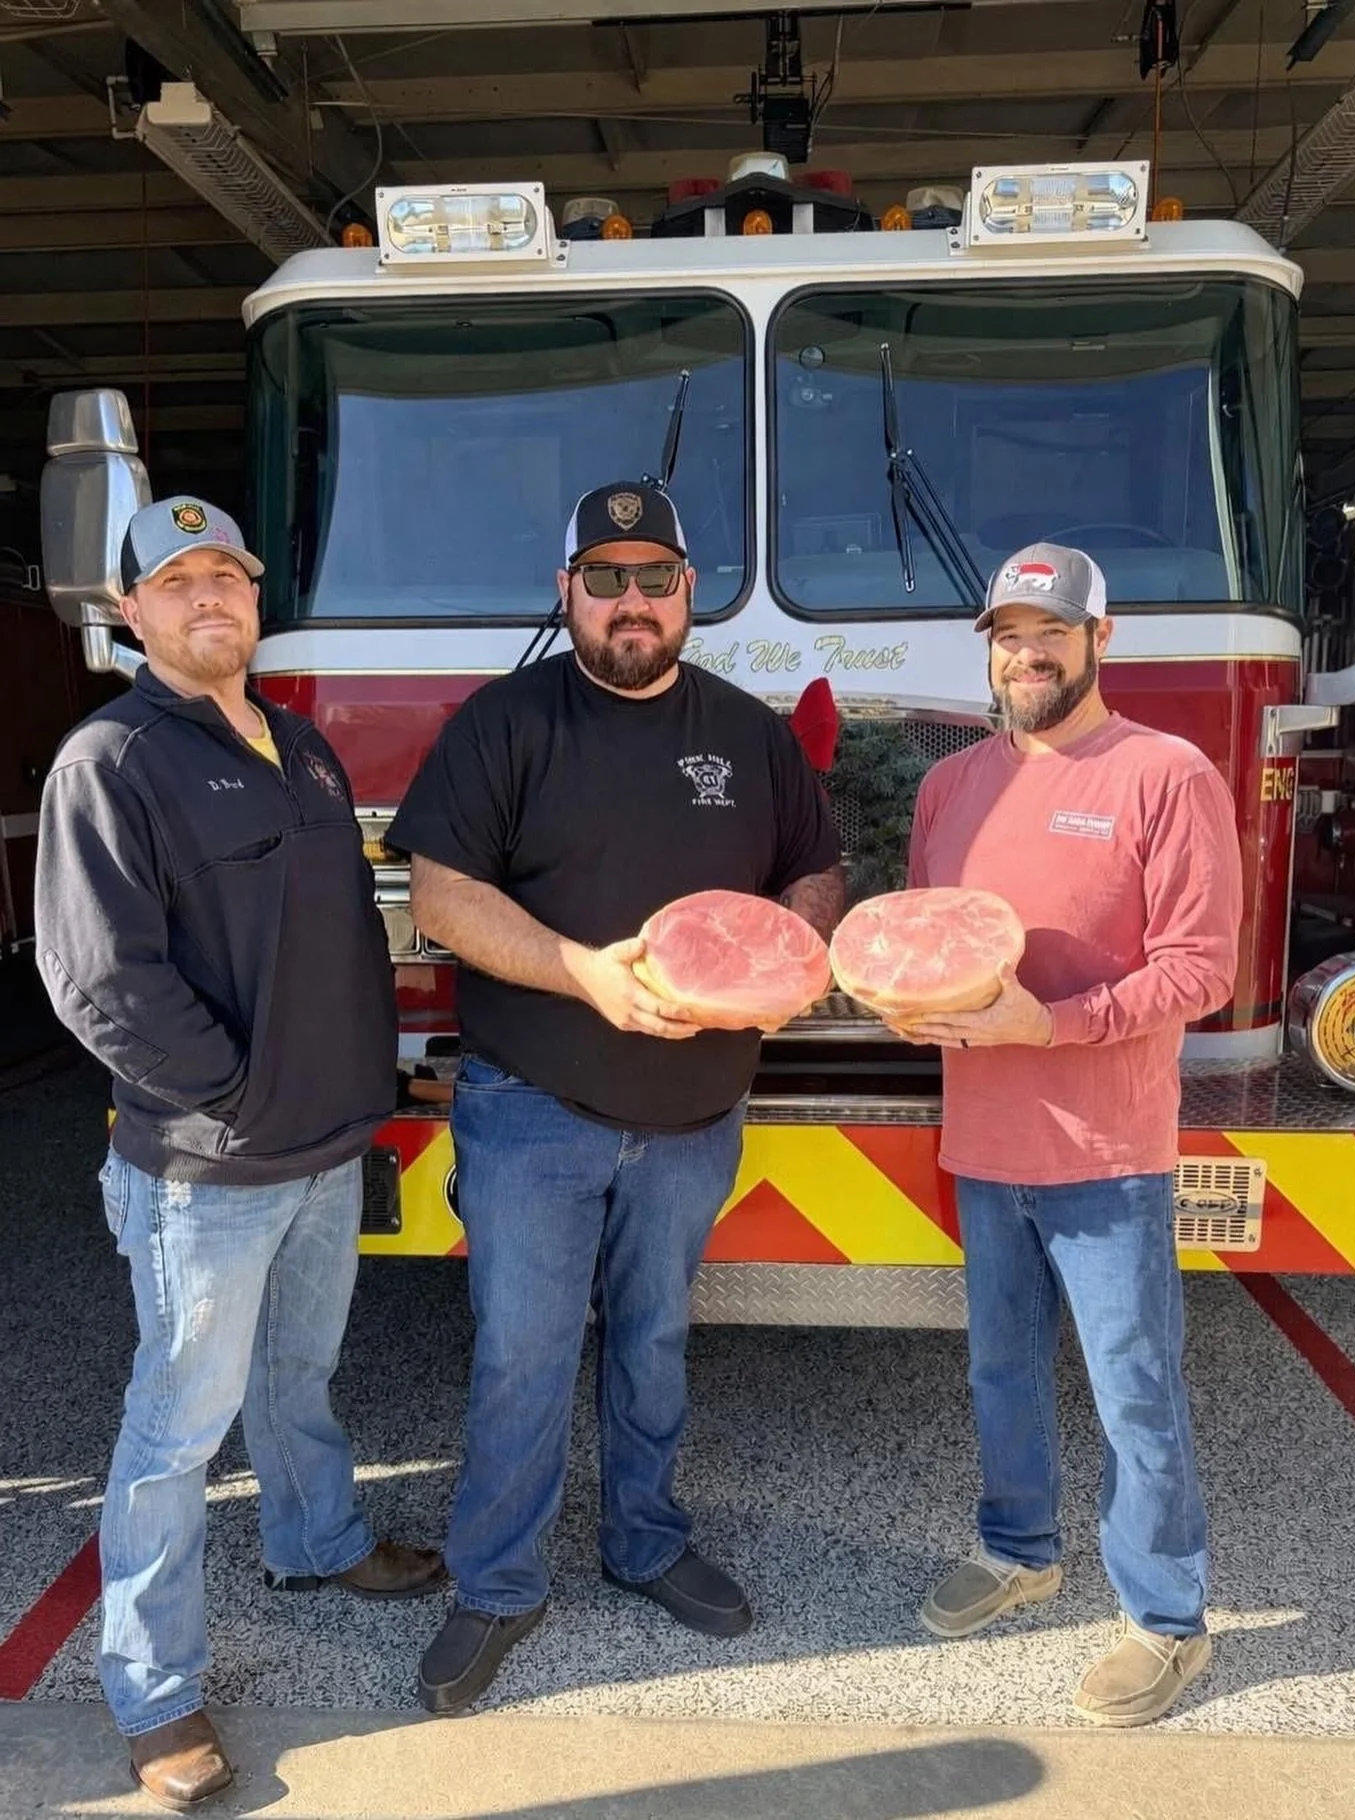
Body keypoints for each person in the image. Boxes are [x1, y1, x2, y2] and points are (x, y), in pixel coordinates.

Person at [389, 481, 845, 1714]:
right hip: (534, 1105)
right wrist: (579, 970)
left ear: (691, 592)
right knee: (524, 1358)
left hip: (697, 1117)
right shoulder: (504, 723)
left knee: (651, 1348)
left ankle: (643, 1542)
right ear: (567, 593)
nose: (630, 601)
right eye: (605, 578)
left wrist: (793, 955)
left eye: (654, 577)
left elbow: (814, 866)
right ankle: (495, 1583)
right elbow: (441, 895)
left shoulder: (748, 733)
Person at [34, 497, 445, 1811]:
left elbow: (332, 939)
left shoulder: (301, 748)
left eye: (231, 576)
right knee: (176, 1429)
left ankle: (315, 1544)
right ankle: (152, 1691)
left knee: (298, 1374)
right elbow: (96, 980)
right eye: (180, 580)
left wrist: (347, 1093)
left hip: (326, 1149)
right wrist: (237, 1097)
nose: (212, 596)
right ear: (131, 612)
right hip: (207, 1170)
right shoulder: (111, 760)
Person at [895, 543, 1240, 1727]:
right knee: (1000, 1371)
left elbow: (1203, 966)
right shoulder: (952, 788)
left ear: (1101, 638)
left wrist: (1052, 1021)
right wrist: (912, 1003)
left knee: (1133, 1388)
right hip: (983, 1144)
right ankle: (1019, 1548)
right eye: (1006, 632)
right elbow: (933, 939)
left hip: (1107, 1153)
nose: (1025, 651)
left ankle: (1168, 1618)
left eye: (1050, 629)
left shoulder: (1166, 773)